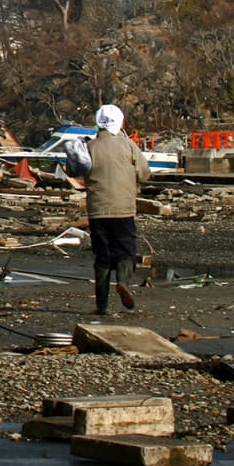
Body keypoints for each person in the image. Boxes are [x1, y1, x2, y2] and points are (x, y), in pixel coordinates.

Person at [63, 103, 152, 315]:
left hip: (97, 211)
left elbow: (73, 171)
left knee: (102, 256)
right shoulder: (128, 146)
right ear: (120, 122)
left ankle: (101, 306)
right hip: (124, 209)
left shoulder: (90, 147)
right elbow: (145, 174)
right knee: (126, 252)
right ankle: (123, 282)